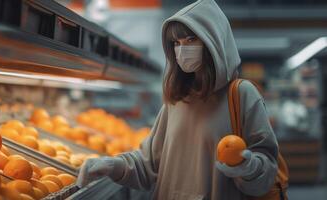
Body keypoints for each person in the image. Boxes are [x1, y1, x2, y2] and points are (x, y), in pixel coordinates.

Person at [76, 0, 279, 199]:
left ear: (214, 42)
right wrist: (115, 165)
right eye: (176, 43)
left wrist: (249, 168)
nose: (182, 49)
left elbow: (267, 170)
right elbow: (149, 165)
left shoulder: (242, 95)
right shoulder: (177, 99)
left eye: (191, 40)